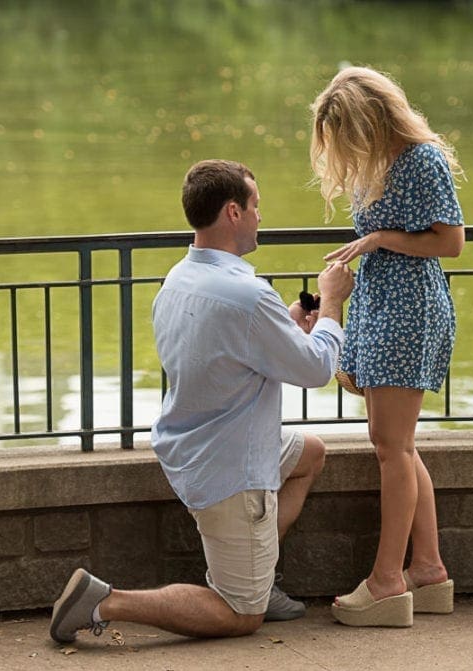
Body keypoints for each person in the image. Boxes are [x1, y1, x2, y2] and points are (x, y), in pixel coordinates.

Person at [49, 159, 354, 641]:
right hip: (233, 469)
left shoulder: (179, 279)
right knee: (239, 614)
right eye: (255, 206)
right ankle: (105, 601)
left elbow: (225, 355)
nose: (260, 216)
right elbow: (316, 370)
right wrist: (332, 301)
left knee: (309, 454)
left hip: (191, 444)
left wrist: (287, 327)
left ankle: (259, 572)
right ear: (233, 212)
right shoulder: (248, 296)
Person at [309, 66, 465, 628]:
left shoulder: (420, 159)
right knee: (395, 443)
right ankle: (427, 570)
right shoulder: (378, 163)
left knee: (390, 447)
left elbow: (451, 243)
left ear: (374, 118)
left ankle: (386, 582)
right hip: (381, 305)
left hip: (410, 308)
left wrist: (378, 239)